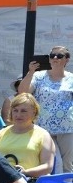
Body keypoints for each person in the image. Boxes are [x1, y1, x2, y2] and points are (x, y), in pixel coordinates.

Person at [18, 45, 73, 173]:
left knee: (68, 165)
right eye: (52, 55)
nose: (55, 58)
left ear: (67, 60)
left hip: (68, 128)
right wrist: (30, 72)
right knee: (54, 162)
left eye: (59, 56)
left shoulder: (71, 78)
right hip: (44, 128)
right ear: (48, 59)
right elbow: (23, 92)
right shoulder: (38, 76)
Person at [0, 93, 55, 178]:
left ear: (34, 112)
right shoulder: (0, 133)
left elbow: (48, 167)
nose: (18, 115)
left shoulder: (43, 135)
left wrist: (25, 172)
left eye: (23, 111)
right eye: (15, 110)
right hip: (0, 182)